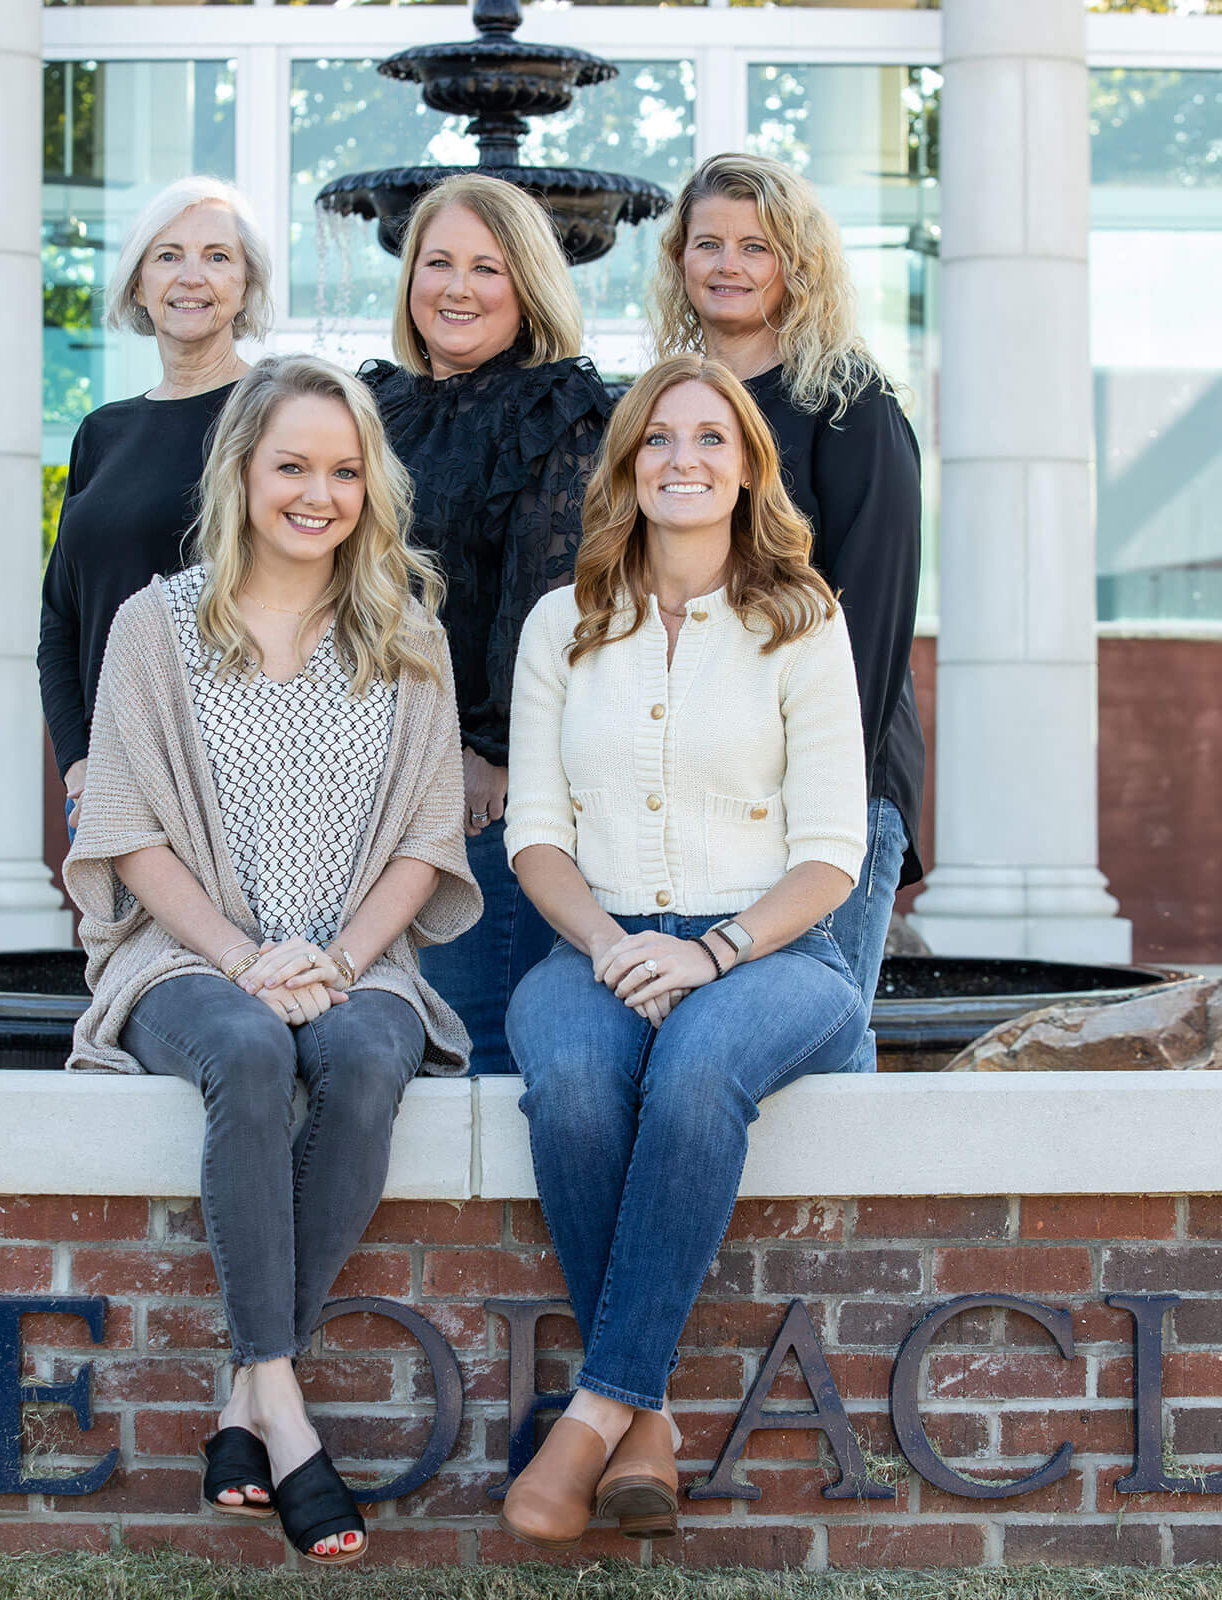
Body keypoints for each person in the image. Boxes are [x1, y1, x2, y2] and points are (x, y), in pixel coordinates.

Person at [60, 356, 479, 1565]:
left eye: (345, 470)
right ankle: (285, 1408)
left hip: (360, 960)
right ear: (242, 470)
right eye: (293, 465)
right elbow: (128, 830)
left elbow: (428, 835)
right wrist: (246, 958)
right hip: (185, 956)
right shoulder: (156, 624)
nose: (320, 492)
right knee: (246, 1052)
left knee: (358, 1062)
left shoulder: (404, 631)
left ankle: (249, 1402)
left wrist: (340, 961)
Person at [497, 355, 869, 1549]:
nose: (684, 460)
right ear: (629, 466)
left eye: (712, 438)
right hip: (598, 942)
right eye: (659, 440)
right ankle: (646, 1426)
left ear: (750, 466)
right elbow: (535, 834)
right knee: (569, 1085)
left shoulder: (803, 623)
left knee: (697, 1076)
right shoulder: (566, 622)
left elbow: (831, 856)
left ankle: (597, 1407)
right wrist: (609, 945)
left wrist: (710, 954)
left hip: (768, 953)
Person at [651, 152, 924, 1059]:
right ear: (680, 259)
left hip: (829, 791)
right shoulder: (674, 409)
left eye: (755, 247)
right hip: (715, 784)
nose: (727, 264)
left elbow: (875, 617)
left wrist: (823, 792)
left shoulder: (850, 405)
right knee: (711, 1046)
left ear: (794, 263)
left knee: (815, 1041)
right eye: (709, 244)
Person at [361, 173, 614, 1073]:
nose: (457, 288)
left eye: (487, 268)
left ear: (529, 286)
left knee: (472, 1038)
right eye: (438, 263)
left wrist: (491, 750)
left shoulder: (558, 411)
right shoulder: (375, 408)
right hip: (365, 773)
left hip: (480, 788)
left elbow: (552, 596)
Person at [38, 177, 273, 844]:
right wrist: (79, 764)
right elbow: (61, 619)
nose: (190, 276)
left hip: (237, 781)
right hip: (110, 781)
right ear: (138, 283)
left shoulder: (276, 413)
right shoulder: (102, 432)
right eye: (167, 255)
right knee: (119, 952)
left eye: (216, 256)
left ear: (246, 284)